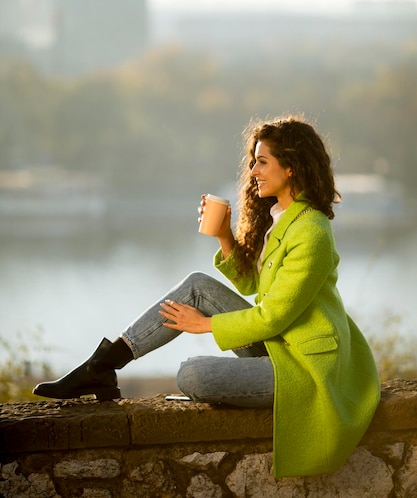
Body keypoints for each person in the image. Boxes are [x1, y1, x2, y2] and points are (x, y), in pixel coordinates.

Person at [33, 115, 380, 478]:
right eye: (253, 161)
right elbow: (255, 287)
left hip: (305, 367)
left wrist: (204, 326)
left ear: (291, 167)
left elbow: (273, 316)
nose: (254, 171)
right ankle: (101, 366)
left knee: (192, 375)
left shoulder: (311, 231)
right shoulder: (285, 218)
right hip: (280, 345)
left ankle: (102, 369)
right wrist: (223, 237)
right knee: (198, 284)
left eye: (263, 162)